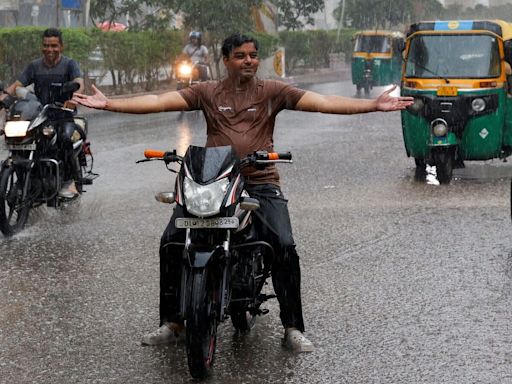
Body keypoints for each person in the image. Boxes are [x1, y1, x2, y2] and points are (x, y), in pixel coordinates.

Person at [73, 33, 413, 352]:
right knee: (172, 242)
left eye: (253, 55)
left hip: (260, 181)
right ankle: (173, 323)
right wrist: (110, 104)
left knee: (282, 244)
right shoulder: (207, 92)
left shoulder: (273, 91)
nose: (249, 61)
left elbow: (323, 102)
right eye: (240, 56)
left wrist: (371, 105)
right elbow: (159, 100)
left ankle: (293, 327)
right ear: (225, 60)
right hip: (212, 182)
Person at [0, 27, 85, 199]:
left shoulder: (70, 64)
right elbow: (17, 84)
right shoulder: (34, 66)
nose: (50, 50)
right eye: (46, 45)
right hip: (39, 115)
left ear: (61, 46)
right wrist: (4, 98)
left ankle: (72, 181)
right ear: (42, 47)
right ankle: (26, 179)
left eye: (54, 46)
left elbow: (79, 83)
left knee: (64, 139)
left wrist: (74, 98)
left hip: (62, 115)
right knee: (21, 138)